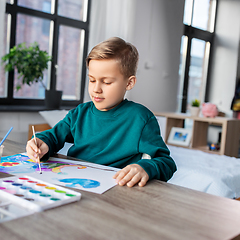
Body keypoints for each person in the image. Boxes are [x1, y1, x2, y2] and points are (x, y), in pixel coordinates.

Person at [26, 37, 176, 187]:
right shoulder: (79, 113)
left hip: (113, 193)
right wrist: (41, 142)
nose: (96, 89)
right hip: (73, 183)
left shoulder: (141, 119)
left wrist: (145, 168)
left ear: (129, 83)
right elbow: (53, 136)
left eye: (107, 82)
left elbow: (167, 163)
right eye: (92, 80)